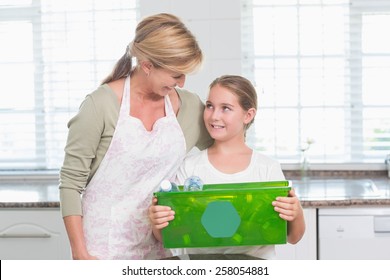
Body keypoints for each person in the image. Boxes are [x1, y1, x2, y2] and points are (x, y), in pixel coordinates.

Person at [59, 13, 213, 260]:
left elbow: (222, 153)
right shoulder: (100, 105)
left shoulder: (190, 107)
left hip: (160, 248)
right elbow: (70, 183)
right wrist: (80, 253)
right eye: (176, 75)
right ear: (148, 65)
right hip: (102, 250)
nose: (182, 83)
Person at [149, 75, 305, 260]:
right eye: (209, 106)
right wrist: (157, 221)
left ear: (248, 115)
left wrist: (296, 212)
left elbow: (293, 237)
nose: (214, 116)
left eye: (226, 108)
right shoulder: (189, 166)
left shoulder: (267, 168)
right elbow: (167, 236)